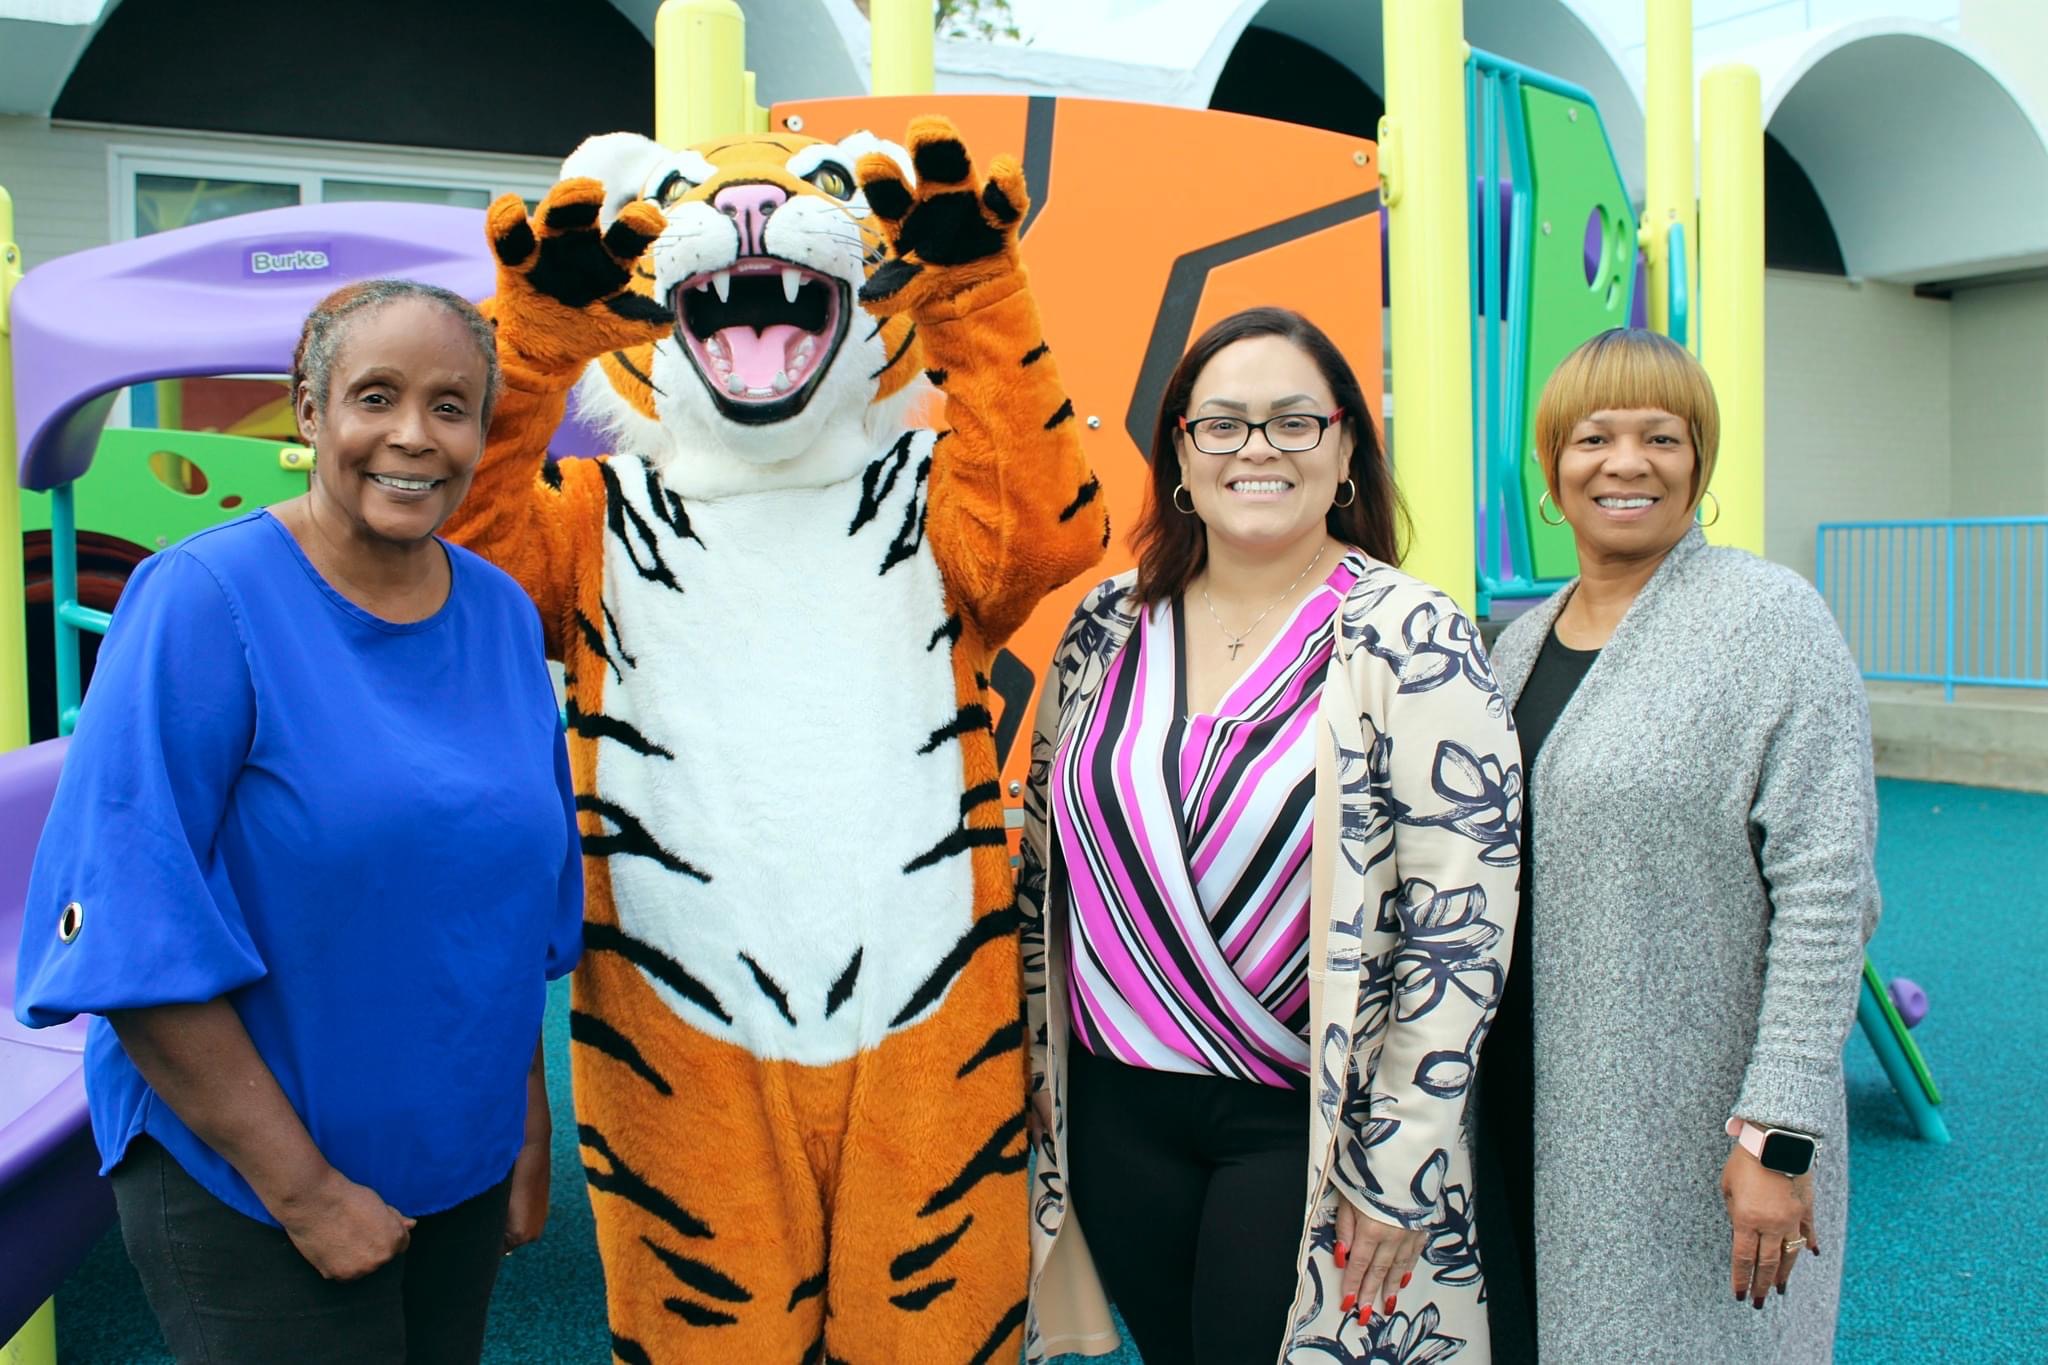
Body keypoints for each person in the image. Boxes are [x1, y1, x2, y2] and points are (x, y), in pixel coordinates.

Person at [12, 279, 584, 1364]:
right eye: (376, 396)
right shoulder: (202, 602)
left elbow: (510, 907)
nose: (413, 437)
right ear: (310, 411)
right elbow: (136, 933)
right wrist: (307, 1194)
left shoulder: (502, 616)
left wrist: (522, 1125)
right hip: (250, 1181)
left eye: (452, 406)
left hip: (457, 1156)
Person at [1019, 306, 1522, 1364]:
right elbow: (1040, 863)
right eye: (1223, 425)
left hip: (1303, 1122)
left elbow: (1459, 926)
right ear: (1178, 460)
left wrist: (1400, 1158)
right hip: (1115, 1107)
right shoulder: (1104, 625)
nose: (1257, 448)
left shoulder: (1411, 635)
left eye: (1294, 422)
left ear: (1343, 451)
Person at [1475, 327, 1879, 1362]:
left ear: (1697, 461)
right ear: (1549, 466)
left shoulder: (1766, 621)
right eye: (1591, 437)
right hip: (1519, 1107)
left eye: (1660, 436)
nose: (1624, 463)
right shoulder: (1517, 644)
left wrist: (1776, 1130)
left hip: (1686, 1124)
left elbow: (1827, 891)